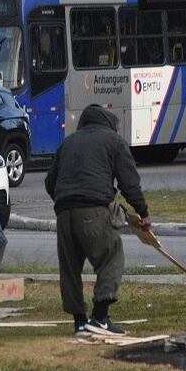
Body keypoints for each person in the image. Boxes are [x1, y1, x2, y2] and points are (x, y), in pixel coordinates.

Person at [45, 104, 151, 337]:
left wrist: (66, 200)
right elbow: (129, 182)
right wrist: (143, 212)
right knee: (111, 257)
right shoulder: (113, 141)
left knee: (70, 268)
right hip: (93, 209)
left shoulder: (68, 142)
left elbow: (49, 183)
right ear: (110, 123)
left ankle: (80, 322)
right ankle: (100, 317)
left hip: (64, 211)